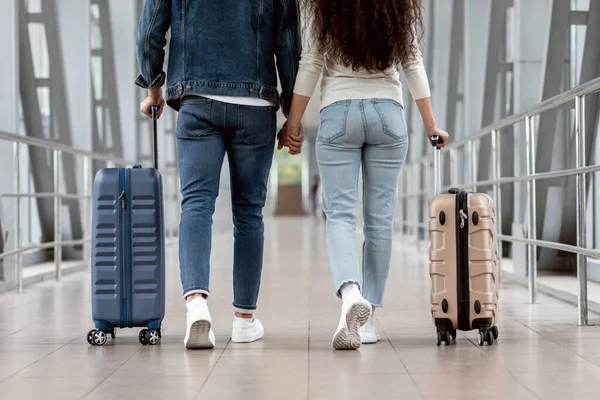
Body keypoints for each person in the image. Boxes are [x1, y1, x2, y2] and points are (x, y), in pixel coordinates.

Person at [279, 0, 449, 350]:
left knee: (340, 214)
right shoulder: (398, 5)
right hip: (388, 112)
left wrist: (292, 124)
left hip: (338, 113)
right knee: (380, 221)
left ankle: (350, 294)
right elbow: (412, 63)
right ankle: (367, 318)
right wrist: (432, 125)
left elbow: (310, 63)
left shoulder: (319, 4)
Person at [136, 0, 303, 349]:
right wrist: (291, 111)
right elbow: (287, 42)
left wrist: (154, 91)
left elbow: (150, 32)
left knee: (196, 204)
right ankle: (244, 320)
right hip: (256, 104)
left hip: (196, 101)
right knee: (248, 212)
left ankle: (196, 304)